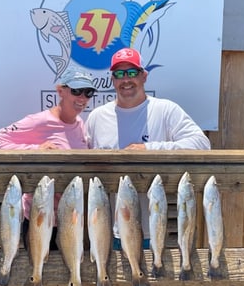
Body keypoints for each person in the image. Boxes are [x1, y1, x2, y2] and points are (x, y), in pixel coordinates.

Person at [85, 47, 211, 249]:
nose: (126, 79)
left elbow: (201, 144)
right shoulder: (97, 117)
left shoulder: (165, 110)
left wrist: (149, 148)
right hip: (106, 231)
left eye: (132, 72)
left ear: (144, 76)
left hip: (152, 229)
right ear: (112, 79)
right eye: (119, 74)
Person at [0, 67, 97, 250]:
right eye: (76, 91)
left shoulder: (80, 124)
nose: (82, 98)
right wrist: (35, 149)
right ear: (60, 91)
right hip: (39, 218)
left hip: (71, 220)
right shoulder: (39, 121)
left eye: (88, 92)